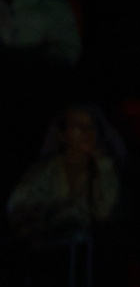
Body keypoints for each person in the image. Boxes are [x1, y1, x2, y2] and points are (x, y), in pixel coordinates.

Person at [7, 104, 120, 247]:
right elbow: (18, 207)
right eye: (78, 126)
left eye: (90, 127)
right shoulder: (46, 171)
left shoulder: (104, 168)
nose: (86, 133)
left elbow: (104, 212)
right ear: (62, 134)